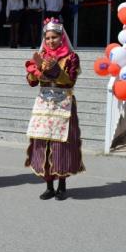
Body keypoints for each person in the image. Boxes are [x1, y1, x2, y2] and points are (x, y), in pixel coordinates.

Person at [24, 17, 84, 200]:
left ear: (62, 37)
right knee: (43, 144)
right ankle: (49, 185)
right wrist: (35, 71)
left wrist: (53, 69)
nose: (51, 41)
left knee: (61, 145)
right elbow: (31, 82)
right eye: (48, 38)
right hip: (44, 105)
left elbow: (70, 80)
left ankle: (62, 185)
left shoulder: (71, 57)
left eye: (54, 37)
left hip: (63, 104)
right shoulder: (41, 55)